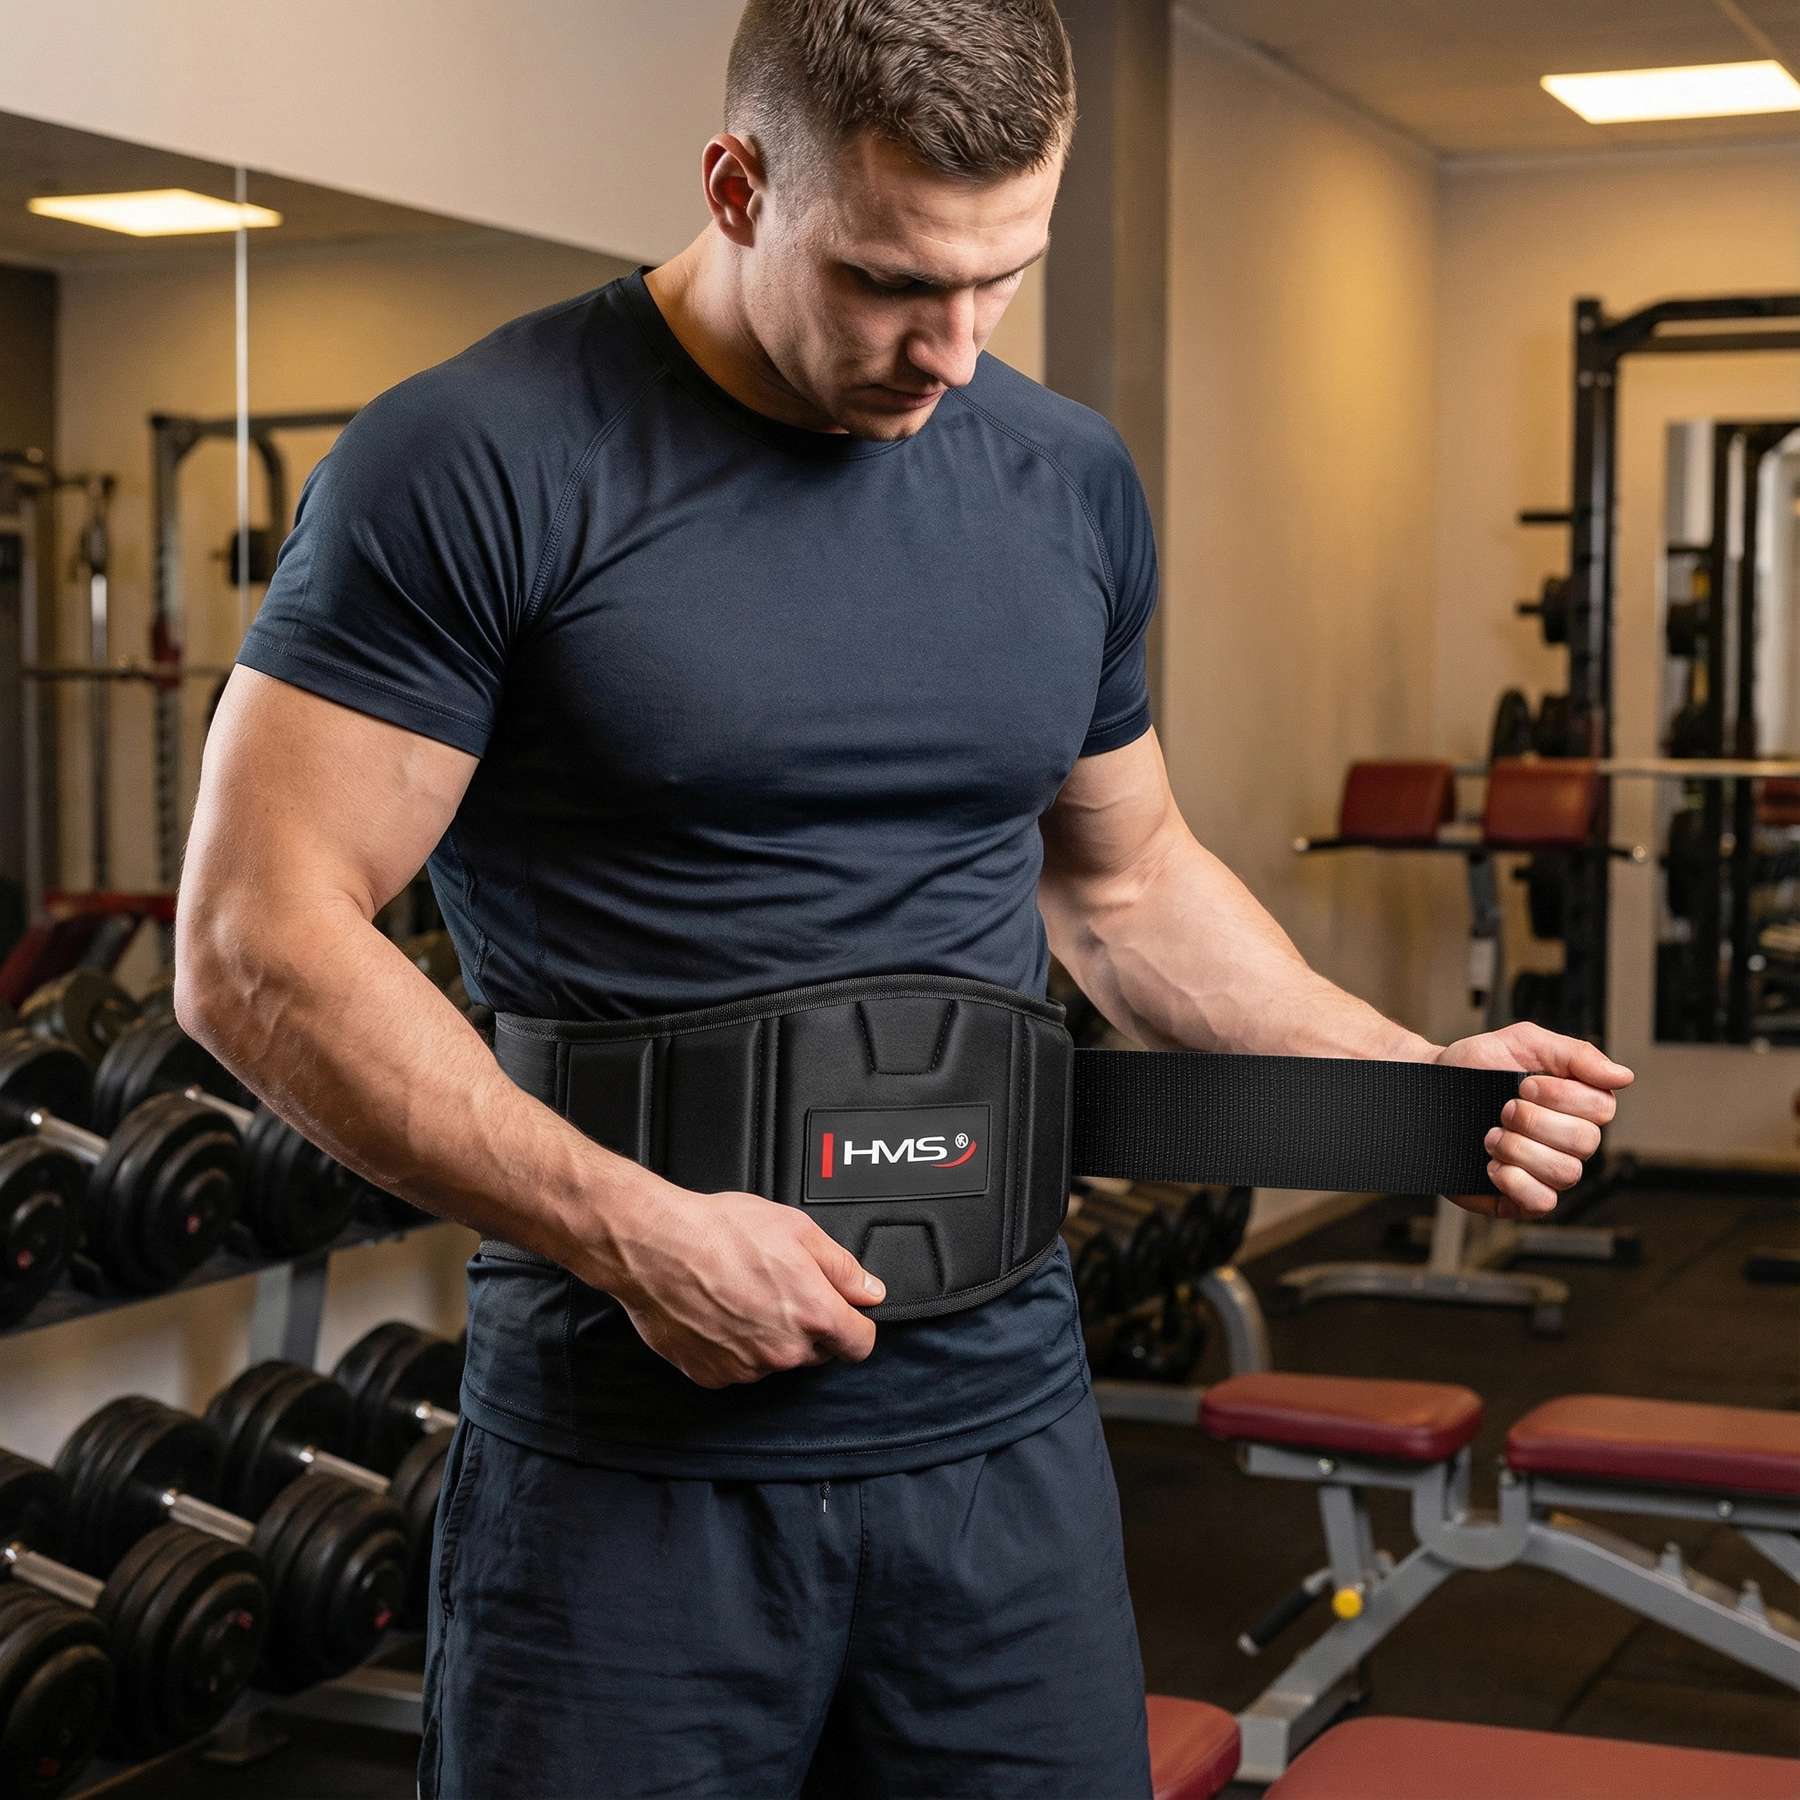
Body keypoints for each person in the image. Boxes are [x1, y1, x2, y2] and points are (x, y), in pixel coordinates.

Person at [176, 1, 1632, 1794]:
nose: (949, 349)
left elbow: (1130, 884)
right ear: (736, 186)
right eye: (888, 282)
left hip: (1005, 1437)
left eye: (1002, 277)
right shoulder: (478, 458)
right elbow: (253, 942)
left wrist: (1405, 1079)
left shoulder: (1067, 481)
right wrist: (633, 1233)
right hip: (634, 1462)